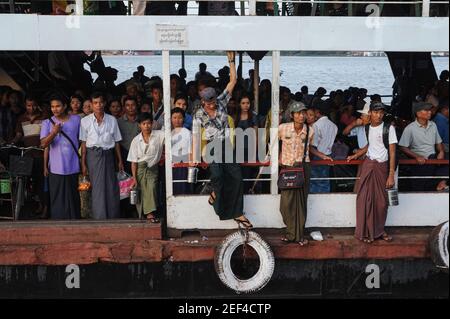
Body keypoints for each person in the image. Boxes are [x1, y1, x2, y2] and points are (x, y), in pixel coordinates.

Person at [191, 51, 253, 229]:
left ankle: (238, 213)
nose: (212, 104)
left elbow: (232, 80)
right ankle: (216, 196)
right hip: (211, 146)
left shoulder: (221, 101)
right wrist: (195, 156)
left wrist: (231, 60)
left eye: (213, 101)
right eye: (209, 102)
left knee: (236, 177)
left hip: (226, 145)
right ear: (203, 101)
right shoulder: (198, 115)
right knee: (218, 177)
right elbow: (196, 136)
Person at [347, 102, 397, 243]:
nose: (379, 115)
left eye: (381, 112)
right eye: (375, 112)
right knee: (363, 199)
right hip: (369, 165)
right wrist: (356, 156)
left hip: (382, 167)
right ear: (370, 113)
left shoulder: (389, 129)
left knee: (382, 202)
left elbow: (392, 152)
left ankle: (379, 231)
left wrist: (391, 174)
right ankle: (365, 232)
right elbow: (370, 145)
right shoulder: (367, 128)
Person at [80, 92, 124, 219]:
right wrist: (83, 163)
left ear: (104, 103)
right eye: (95, 103)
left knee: (111, 186)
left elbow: (116, 142)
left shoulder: (112, 120)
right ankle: (100, 217)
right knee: (98, 187)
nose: (98, 105)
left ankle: (113, 216)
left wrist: (120, 160)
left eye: (100, 102)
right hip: (93, 155)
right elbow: (83, 143)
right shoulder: (85, 121)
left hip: (109, 154)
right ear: (91, 105)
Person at [278, 102, 314, 246]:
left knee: (301, 203)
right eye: (298, 113)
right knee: (286, 204)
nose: (301, 116)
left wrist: (323, 156)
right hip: (287, 167)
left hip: (303, 166)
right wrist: (279, 156)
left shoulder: (310, 131)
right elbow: (272, 144)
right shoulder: (282, 128)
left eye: (303, 113)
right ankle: (291, 232)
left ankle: (297, 236)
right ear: (292, 115)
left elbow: (310, 148)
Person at [40, 95, 81, 220]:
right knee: (57, 198)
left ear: (65, 106)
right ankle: (58, 223)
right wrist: (53, 132)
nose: (55, 109)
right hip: (56, 167)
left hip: (73, 165)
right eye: (52, 106)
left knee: (74, 197)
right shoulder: (47, 123)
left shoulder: (76, 120)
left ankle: (75, 223)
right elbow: (43, 144)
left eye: (58, 106)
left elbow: (82, 141)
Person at [399, 102, 446, 191]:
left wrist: (441, 152)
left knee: (443, 161)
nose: (430, 112)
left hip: (433, 159)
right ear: (418, 113)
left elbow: (438, 142)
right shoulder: (410, 128)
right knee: (422, 183)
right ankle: (437, 183)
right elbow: (402, 146)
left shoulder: (433, 125)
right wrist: (417, 156)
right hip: (421, 162)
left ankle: (441, 182)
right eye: (426, 110)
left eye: (430, 110)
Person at [128, 112, 165, 222]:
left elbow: (170, 134)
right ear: (140, 125)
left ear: (152, 124)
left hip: (152, 168)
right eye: (144, 124)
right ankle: (145, 214)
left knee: (152, 187)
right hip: (140, 168)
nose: (146, 126)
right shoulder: (135, 140)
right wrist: (134, 178)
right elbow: (133, 162)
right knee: (141, 190)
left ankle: (150, 214)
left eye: (149, 123)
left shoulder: (159, 135)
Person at [309, 100, 337, 193]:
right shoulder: (334, 126)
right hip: (329, 154)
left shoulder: (316, 125)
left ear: (317, 112)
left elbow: (313, 145)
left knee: (314, 181)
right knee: (325, 181)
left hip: (317, 155)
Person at [171, 108, 192, 195]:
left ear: (183, 119)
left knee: (183, 189)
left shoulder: (187, 133)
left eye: (179, 118)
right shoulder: (169, 133)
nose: (177, 120)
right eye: (174, 118)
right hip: (171, 165)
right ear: (171, 119)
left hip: (184, 165)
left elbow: (191, 150)